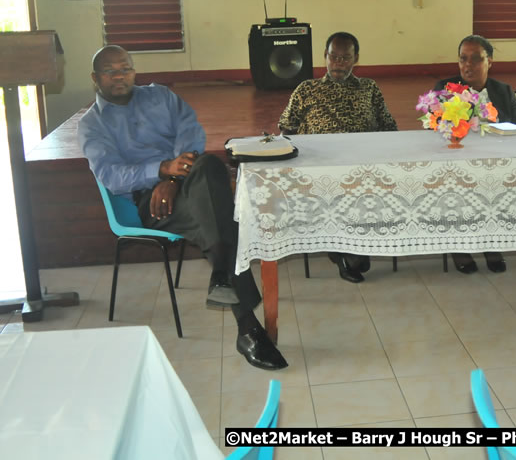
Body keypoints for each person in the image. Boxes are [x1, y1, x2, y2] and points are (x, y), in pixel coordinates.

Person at [78, 45, 288, 371]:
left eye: (126, 68)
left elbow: (192, 133)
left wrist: (174, 179)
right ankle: (246, 324)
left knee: (209, 166)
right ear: (95, 78)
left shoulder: (159, 96)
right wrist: (162, 170)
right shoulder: (92, 125)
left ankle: (227, 286)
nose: (120, 76)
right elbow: (112, 175)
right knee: (217, 218)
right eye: (111, 71)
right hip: (151, 202)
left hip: (187, 180)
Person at [278, 32, 397, 283]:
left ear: (356, 59)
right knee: (334, 191)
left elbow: (388, 126)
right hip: (320, 168)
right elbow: (286, 130)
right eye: (333, 56)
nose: (339, 63)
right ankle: (344, 253)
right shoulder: (307, 89)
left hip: (363, 165)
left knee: (369, 188)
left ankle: (355, 248)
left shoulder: (368, 88)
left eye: (346, 58)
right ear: (325, 57)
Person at [434, 34, 516, 275]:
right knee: (457, 188)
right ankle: (459, 247)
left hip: (494, 160)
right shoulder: (445, 88)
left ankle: (491, 245)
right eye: (463, 59)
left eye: (476, 59)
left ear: (490, 61)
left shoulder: (503, 91)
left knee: (495, 186)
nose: (468, 65)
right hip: (454, 160)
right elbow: (436, 127)